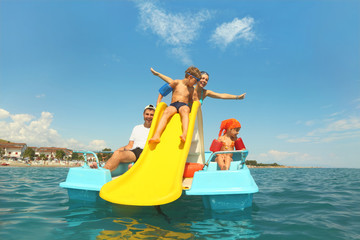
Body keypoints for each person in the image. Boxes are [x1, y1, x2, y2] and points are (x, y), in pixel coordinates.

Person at [91, 105, 155, 171]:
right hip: (134, 152)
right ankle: (102, 171)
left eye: (151, 115)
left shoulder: (156, 129)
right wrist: (117, 151)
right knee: (117, 153)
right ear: (143, 114)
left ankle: (134, 169)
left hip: (146, 152)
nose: (149, 117)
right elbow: (130, 145)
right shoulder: (136, 128)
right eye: (147, 114)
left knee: (142, 155)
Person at [148, 66, 202, 143]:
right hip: (173, 105)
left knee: (185, 110)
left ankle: (185, 134)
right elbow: (163, 92)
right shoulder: (176, 82)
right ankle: (156, 135)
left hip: (183, 105)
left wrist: (192, 110)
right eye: (195, 81)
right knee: (166, 111)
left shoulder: (191, 89)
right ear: (190, 77)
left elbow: (190, 100)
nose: (196, 83)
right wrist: (158, 102)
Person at [151, 69, 246, 105]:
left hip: (193, 119)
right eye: (202, 78)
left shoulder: (205, 93)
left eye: (206, 80)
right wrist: (158, 74)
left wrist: (237, 97)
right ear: (197, 79)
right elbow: (171, 81)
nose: (204, 81)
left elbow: (222, 95)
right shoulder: (189, 86)